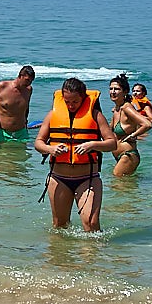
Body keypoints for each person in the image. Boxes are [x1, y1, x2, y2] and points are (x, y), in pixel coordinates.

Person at [33, 78, 118, 232]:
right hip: (59, 178)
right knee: (60, 226)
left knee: (91, 224)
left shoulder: (95, 115)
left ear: (83, 98)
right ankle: (62, 249)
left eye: (75, 102)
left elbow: (112, 143)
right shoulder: (52, 115)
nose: (71, 105)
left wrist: (92, 145)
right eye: (67, 102)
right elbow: (38, 143)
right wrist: (50, 149)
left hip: (87, 178)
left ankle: (95, 249)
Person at [108, 74, 152, 176]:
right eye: (111, 89)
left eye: (116, 89)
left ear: (125, 92)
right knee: (126, 185)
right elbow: (109, 131)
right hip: (120, 156)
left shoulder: (126, 108)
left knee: (116, 181)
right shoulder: (116, 109)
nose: (113, 92)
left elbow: (147, 124)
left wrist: (133, 135)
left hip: (128, 155)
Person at [0, 65, 35, 141]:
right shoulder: (2, 86)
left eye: (31, 81)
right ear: (20, 76)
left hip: (21, 133)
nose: (29, 83)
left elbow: (26, 109)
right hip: (2, 133)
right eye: (27, 80)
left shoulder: (28, 90)